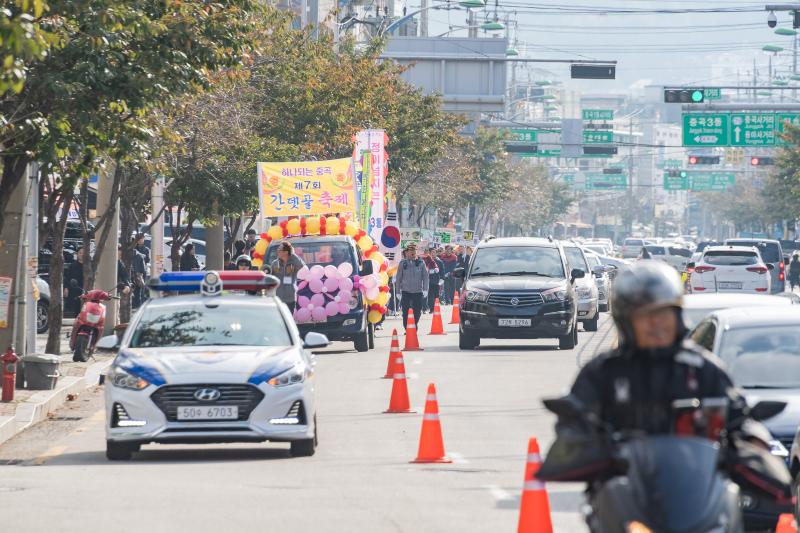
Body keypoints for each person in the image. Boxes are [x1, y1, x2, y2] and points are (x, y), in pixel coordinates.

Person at [536, 261, 791, 508]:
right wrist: (581, 437)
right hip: (624, 493)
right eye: (645, 315)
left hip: (696, 493)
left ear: (677, 314)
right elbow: (573, 420)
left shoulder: (702, 369)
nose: (656, 323)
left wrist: (753, 440)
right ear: (626, 320)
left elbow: (739, 416)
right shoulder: (604, 372)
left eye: (663, 312)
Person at [395, 244, 429, 330]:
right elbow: (398, 278)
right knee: (405, 312)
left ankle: (414, 325)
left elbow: (425, 277)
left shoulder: (421, 263)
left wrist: (425, 289)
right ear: (406, 253)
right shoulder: (403, 263)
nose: (412, 254)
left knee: (417, 311)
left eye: (414, 252)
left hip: (418, 291)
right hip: (406, 292)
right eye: (410, 252)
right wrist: (398, 292)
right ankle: (407, 328)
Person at [270, 240, 306, 310]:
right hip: (278, 298)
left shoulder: (294, 262)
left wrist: (292, 254)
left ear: (286, 252)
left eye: (280, 249)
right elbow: (271, 278)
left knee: (289, 317)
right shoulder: (275, 263)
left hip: (290, 298)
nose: (278, 251)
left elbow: (301, 266)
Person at [63, 247, 85, 317]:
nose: (82, 255)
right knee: (77, 312)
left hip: (86, 291)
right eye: (80, 253)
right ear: (77, 254)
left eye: (83, 253)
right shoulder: (73, 266)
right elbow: (68, 278)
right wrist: (66, 288)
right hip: (75, 291)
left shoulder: (89, 266)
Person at [422, 248, 445, 313]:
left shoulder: (439, 262)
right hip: (428, 281)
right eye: (432, 252)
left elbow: (442, 271)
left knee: (436, 296)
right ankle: (431, 309)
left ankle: (436, 308)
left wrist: (442, 279)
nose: (433, 254)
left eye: (434, 252)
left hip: (436, 281)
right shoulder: (426, 260)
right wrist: (429, 271)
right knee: (430, 295)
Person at [131, 244, 148, 308]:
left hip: (130, 277)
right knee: (138, 293)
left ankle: (133, 305)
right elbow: (143, 269)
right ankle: (137, 306)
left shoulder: (125, 255)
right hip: (137, 277)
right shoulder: (140, 256)